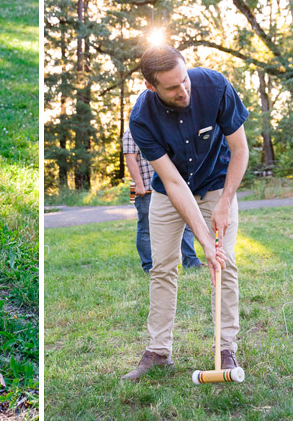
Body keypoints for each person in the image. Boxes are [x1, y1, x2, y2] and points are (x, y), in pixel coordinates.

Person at [122, 45, 249, 381]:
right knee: (162, 265)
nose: (184, 90)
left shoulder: (215, 87)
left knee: (225, 261)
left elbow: (240, 149)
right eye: (173, 87)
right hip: (171, 191)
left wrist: (223, 204)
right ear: (152, 87)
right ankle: (159, 351)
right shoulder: (141, 118)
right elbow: (174, 182)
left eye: (185, 80)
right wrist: (204, 238)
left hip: (218, 181)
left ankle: (226, 348)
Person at [123, 129, 201, 273]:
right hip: (146, 188)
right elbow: (130, 158)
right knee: (146, 228)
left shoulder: (160, 129)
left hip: (171, 187)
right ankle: (149, 265)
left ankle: (191, 260)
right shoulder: (131, 132)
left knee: (186, 223)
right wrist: (138, 183)